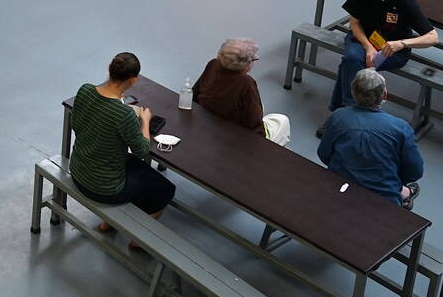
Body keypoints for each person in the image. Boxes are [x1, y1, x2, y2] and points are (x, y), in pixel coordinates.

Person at [328, 0, 440, 117]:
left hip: (392, 50)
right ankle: (349, 113)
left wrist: (402, 43)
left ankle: (340, 114)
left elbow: (433, 37)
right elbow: (354, 23)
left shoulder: (404, 0)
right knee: (352, 59)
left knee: (350, 65)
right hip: (363, 40)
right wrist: (368, 47)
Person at [69, 52, 175, 222]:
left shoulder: (85, 90)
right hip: (104, 188)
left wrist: (117, 102)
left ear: (109, 68)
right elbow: (142, 150)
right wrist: (145, 121)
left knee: (136, 168)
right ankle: (137, 240)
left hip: (78, 170)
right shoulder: (123, 114)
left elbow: (76, 124)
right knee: (166, 190)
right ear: (133, 80)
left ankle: (108, 224)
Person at [318, 68, 424, 208]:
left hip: (339, 186)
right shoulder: (401, 128)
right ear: (384, 95)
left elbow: (324, 154)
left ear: (353, 92)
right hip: (383, 197)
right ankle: (403, 192)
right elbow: (415, 171)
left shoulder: (338, 117)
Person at [194, 38, 290, 145]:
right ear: (247, 64)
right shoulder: (246, 83)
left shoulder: (213, 64)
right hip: (232, 135)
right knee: (282, 120)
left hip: (207, 118)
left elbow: (195, 94)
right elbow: (256, 126)